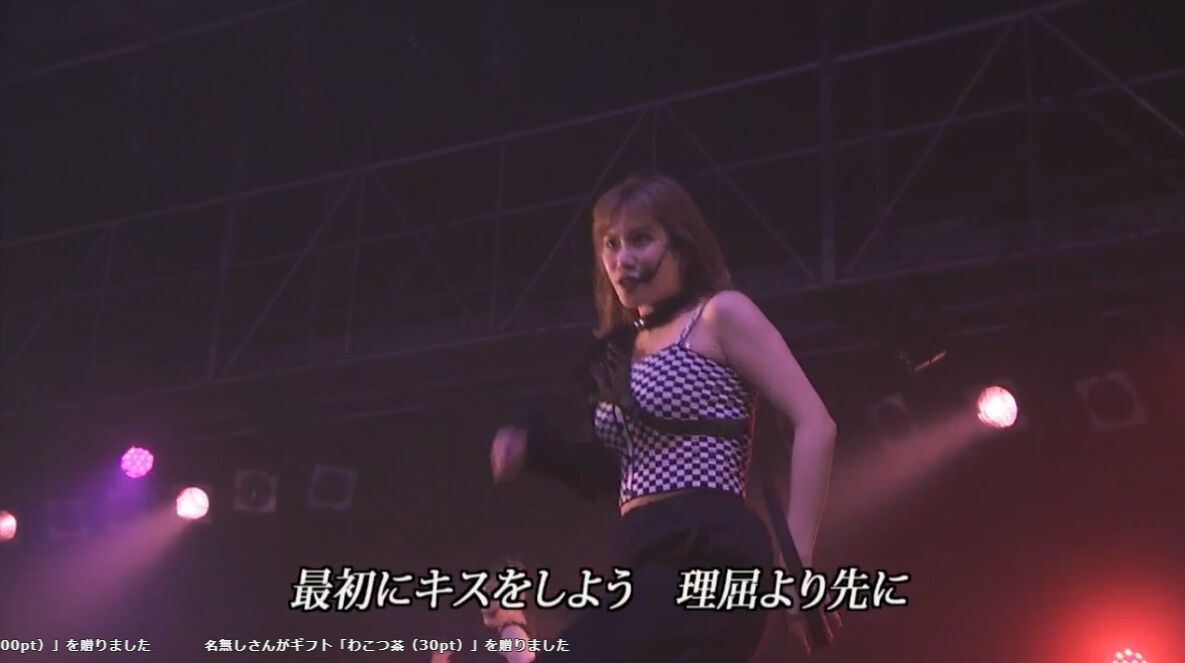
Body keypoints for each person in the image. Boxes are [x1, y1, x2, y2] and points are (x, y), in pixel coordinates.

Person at [488, 173, 837, 662]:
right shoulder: (616, 354)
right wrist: (534, 450)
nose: (622, 259)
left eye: (640, 239)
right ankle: (513, 633)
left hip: (708, 547)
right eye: (611, 244)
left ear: (682, 249)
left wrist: (796, 565)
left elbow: (815, 423)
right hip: (640, 551)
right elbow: (611, 470)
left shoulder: (718, 316)